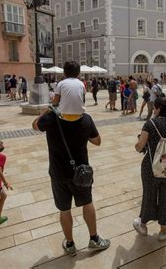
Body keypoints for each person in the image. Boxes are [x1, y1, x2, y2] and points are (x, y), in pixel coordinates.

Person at [32, 107, 111, 256]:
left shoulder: (51, 119)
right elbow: (97, 141)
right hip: (81, 173)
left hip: (58, 173)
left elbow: (35, 125)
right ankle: (94, 239)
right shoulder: (86, 119)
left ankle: (70, 244)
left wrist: (45, 112)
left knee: (64, 209)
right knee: (87, 203)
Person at [134, 97, 166, 241]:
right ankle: (164, 230)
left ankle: (143, 225)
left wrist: (137, 144)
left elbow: (140, 146)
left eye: (155, 108)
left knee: (149, 194)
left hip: (151, 167)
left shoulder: (150, 124)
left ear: (158, 109)